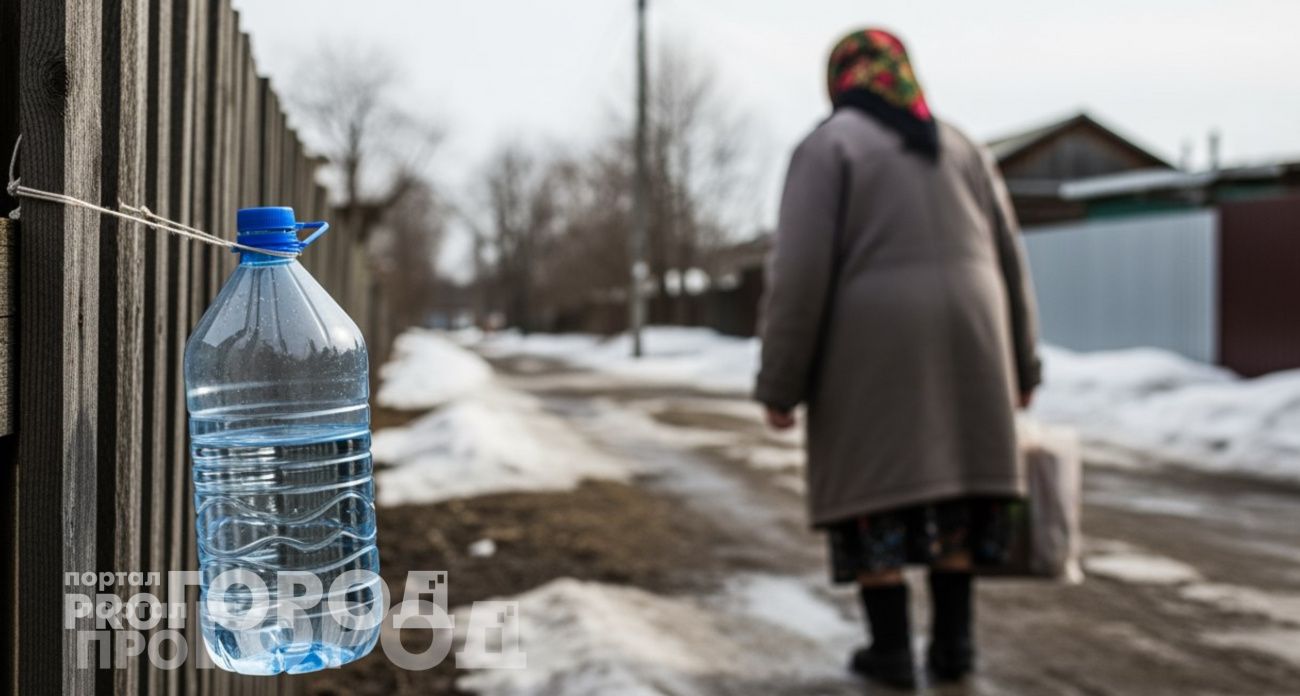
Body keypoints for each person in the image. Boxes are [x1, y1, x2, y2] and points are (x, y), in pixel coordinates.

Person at [756, 28, 1042, 689]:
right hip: (975, 332)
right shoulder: (964, 146)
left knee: (875, 487)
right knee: (957, 485)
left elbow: (798, 274)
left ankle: (890, 652)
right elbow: (1011, 260)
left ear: (840, 79)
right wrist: (1024, 366)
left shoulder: (828, 146)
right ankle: (954, 646)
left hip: (870, 342)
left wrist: (781, 383)